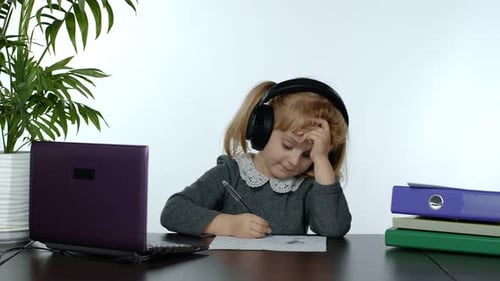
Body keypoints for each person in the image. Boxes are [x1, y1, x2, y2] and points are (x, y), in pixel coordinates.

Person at [161, 77, 351, 239]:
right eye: (287, 145)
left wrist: (321, 160)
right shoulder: (231, 173)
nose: (294, 161)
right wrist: (229, 225)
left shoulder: (307, 186)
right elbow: (173, 211)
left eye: (307, 154)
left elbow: (333, 229)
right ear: (262, 131)